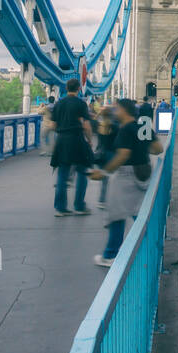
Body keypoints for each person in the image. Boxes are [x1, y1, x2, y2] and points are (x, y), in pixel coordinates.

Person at [88, 98, 163, 267]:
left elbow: (123, 155)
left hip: (126, 174)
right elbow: (158, 149)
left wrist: (104, 172)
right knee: (139, 213)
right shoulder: (143, 127)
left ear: (124, 110)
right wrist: (142, 146)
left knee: (116, 214)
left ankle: (110, 255)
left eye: (117, 108)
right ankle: (151, 249)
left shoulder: (126, 129)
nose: (115, 111)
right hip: (143, 171)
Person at [50, 78, 95, 215]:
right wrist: (90, 140)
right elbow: (86, 125)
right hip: (77, 139)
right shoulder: (81, 104)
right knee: (82, 171)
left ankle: (60, 208)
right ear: (79, 89)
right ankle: (79, 206)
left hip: (62, 141)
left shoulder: (59, 103)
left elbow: (52, 125)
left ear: (66, 88)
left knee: (62, 174)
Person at [94, 104, 118, 205]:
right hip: (111, 154)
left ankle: (102, 200)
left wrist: (99, 113)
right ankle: (111, 199)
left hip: (100, 153)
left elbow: (95, 119)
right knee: (115, 177)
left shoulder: (99, 125)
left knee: (104, 179)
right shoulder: (115, 127)